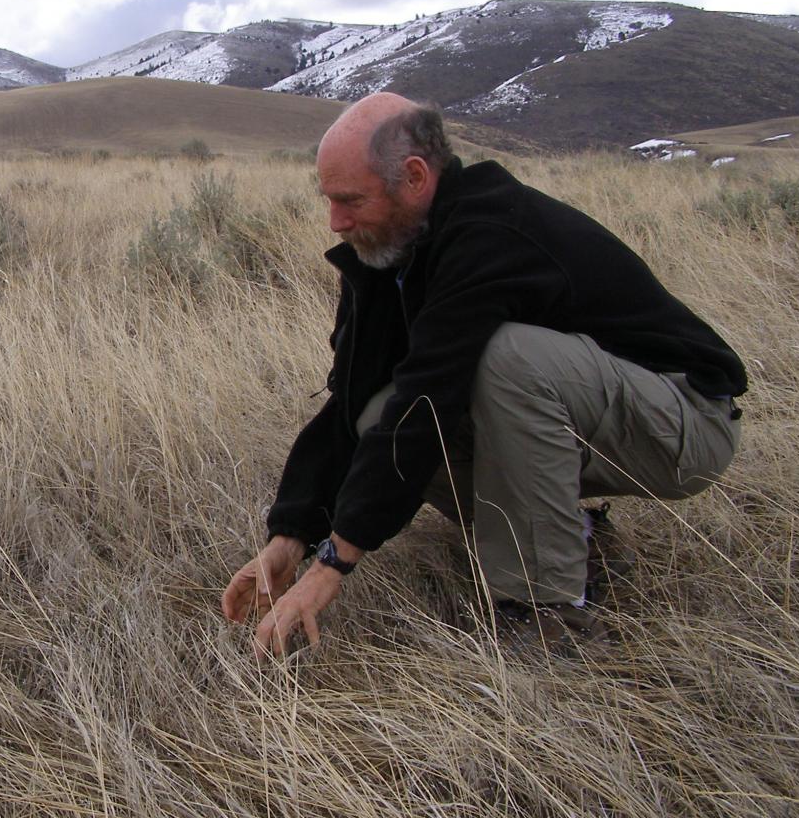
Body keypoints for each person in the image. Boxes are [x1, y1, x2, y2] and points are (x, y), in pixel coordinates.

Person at [221, 93, 745, 659]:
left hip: (682, 422)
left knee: (503, 359)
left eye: (350, 200)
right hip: (589, 418)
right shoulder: (388, 252)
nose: (335, 222)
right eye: (329, 201)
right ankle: (576, 540)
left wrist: (335, 562)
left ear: (416, 177)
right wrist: (291, 537)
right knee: (378, 408)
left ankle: (549, 616)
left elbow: (430, 394)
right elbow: (350, 407)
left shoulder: (491, 232)